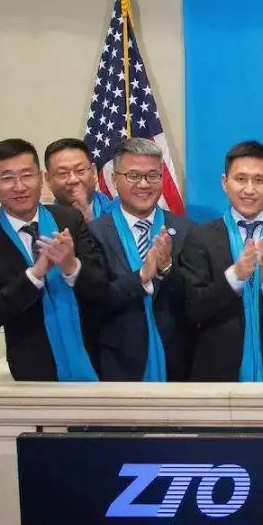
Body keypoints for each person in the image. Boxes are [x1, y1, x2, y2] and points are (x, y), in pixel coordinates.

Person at [0, 138, 106, 381]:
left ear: (40, 178)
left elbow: (102, 288)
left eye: (27, 175)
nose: (19, 187)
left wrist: (71, 266)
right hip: (35, 373)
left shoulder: (69, 220)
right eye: (7, 178)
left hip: (96, 361)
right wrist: (35, 275)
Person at [180, 141, 263, 382]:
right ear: (224, 182)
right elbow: (193, 309)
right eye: (241, 179)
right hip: (215, 375)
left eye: (259, 180)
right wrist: (234, 276)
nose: (249, 189)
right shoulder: (200, 236)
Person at [88, 138, 196, 381]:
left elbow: (193, 299)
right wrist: (141, 278)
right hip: (117, 363)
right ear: (115, 180)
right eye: (134, 176)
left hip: (176, 361)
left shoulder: (186, 229)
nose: (144, 184)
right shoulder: (95, 233)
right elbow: (95, 300)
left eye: (153, 176)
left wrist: (167, 267)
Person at [44, 137, 114, 221]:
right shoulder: (41, 222)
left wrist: (88, 218)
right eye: (63, 173)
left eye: (80, 170)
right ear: (48, 180)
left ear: (94, 173)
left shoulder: (119, 213)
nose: (73, 180)